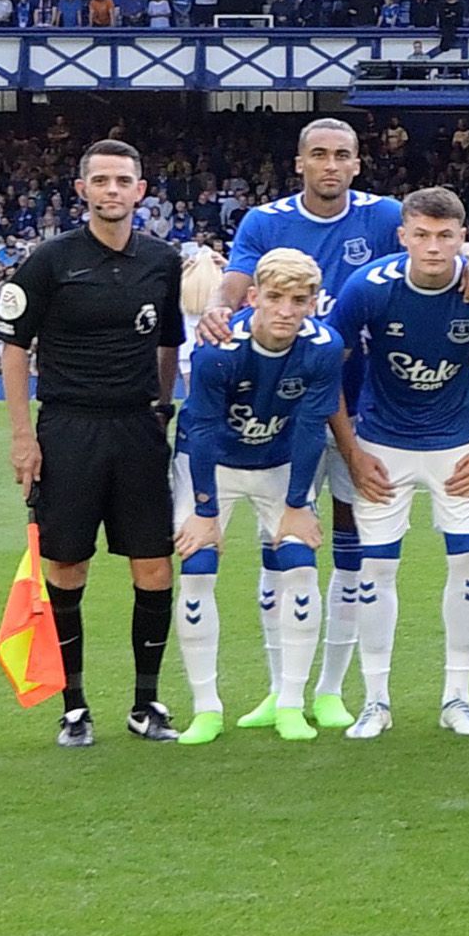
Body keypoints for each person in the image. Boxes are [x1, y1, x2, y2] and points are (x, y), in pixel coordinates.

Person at [207, 117, 469, 730]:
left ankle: (334, 689)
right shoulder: (265, 222)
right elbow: (237, 283)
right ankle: (278, 688)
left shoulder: (382, 214)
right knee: (279, 545)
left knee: (350, 547)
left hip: (362, 407)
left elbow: (435, 243)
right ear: (300, 162)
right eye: (319, 155)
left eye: (342, 155)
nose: (331, 165)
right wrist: (216, 307)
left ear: (358, 163)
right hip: (284, 406)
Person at [327, 187, 469, 740]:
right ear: (402, 236)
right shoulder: (368, 287)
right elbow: (328, 370)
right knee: (376, 569)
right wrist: (352, 452)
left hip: (457, 447)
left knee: (467, 565)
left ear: (461, 237)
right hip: (381, 445)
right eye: (421, 235)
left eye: (445, 236)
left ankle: (458, 697)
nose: (432, 247)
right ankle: (375, 701)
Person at [0, 139, 190, 748]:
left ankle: (146, 702)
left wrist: (161, 409)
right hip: (69, 427)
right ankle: (74, 705)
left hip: (137, 428)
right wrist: (23, 437)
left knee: (154, 567)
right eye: (101, 180)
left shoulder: (162, 260)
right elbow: (12, 348)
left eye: (123, 181)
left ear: (141, 190)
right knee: (68, 565)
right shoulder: (49, 262)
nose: (112, 190)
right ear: (81, 190)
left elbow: (169, 344)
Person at [170, 250, 343, 744]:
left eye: (298, 300)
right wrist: (204, 512)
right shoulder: (218, 348)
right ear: (252, 298)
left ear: (314, 303)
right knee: (198, 566)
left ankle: (290, 702)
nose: (286, 310)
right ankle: (207, 708)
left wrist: (297, 503)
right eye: (274, 298)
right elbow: (200, 427)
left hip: (277, 463)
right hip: (212, 465)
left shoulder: (324, 347)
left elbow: (312, 426)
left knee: (301, 565)